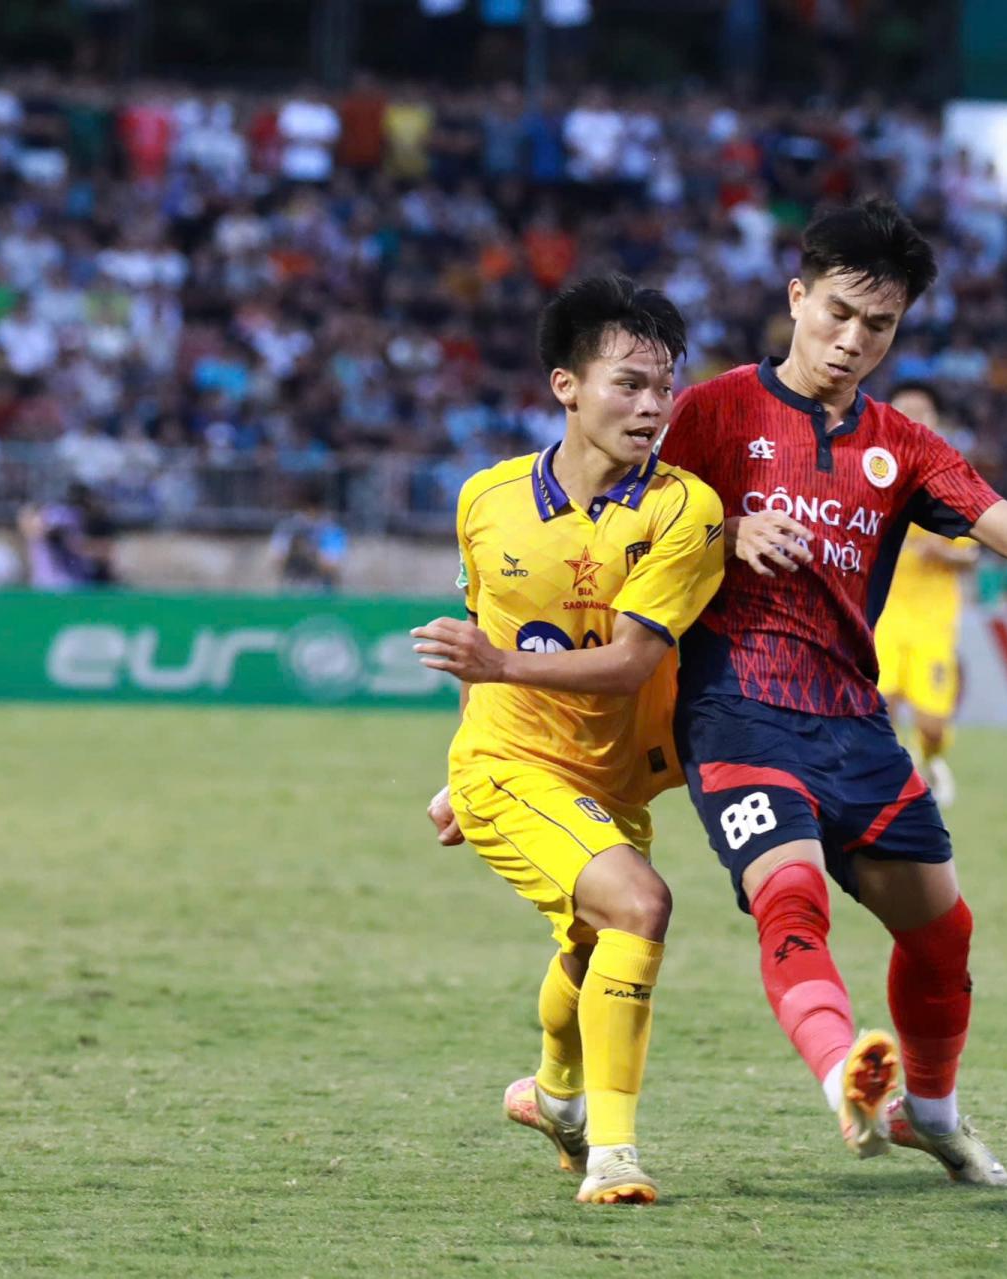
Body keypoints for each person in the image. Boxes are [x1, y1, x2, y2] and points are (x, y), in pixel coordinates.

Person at [657, 199, 1007, 1186]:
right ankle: (847, 1079)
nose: (852, 340)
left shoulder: (904, 446)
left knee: (944, 934)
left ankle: (932, 1113)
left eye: (880, 325)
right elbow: (628, 524)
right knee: (789, 897)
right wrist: (723, 532)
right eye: (838, 313)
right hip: (736, 711)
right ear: (797, 298)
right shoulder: (713, 411)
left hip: (853, 727)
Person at [410, 276, 723, 1206]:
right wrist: (461, 766)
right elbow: (485, 636)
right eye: (629, 383)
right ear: (566, 386)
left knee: (592, 947)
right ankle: (613, 1153)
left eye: (664, 387)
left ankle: (552, 1093)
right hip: (506, 765)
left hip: (611, 779)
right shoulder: (486, 499)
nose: (652, 406)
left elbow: (629, 665)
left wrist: (497, 666)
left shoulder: (685, 509)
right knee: (640, 904)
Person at [871, 381, 979, 808]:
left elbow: (972, 556)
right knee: (880, 706)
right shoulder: (870, 471)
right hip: (883, 615)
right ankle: (889, 785)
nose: (913, 419)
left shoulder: (950, 479)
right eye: (905, 410)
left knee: (933, 724)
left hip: (934, 621)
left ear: (936, 421)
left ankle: (931, 758)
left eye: (922, 411)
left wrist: (943, 553)